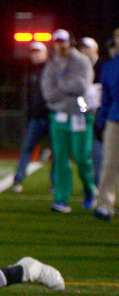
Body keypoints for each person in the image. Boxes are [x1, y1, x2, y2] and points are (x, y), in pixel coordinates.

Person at [41, 29, 96, 213]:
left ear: (69, 42)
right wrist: (67, 91)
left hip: (80, 115)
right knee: (61, 158)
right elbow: (48, 92)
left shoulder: (81, 61)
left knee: (82, 157)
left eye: (63, 41)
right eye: (57, 41)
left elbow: (82, 86)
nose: (60, 45)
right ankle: (62, 199)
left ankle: (89, 189)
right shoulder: (51, 63)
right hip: (59, 116)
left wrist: (61, 86)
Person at [12, 41, 51, 193]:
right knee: (27, 148)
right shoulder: (31, 73)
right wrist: (28, 118)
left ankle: (55, 183)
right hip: (35, 118)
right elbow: (28, 98)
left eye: (39, 52)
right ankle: (18, 179)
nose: (36, 55)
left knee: (57, 152)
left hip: (50, 117)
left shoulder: (51, 71)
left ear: (46, 53)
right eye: (34, 52)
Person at [93, 47, 119, 222]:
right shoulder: (111, 65)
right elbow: (106, 98)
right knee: (109, 164)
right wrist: (100, 121)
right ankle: (105, 206)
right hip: (114, 119)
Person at [77, 36, 104, 185]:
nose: (84, 51)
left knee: (100, 151)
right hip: (85, 114)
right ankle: (95, 183)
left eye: (87, 48)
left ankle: (99, 183)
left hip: (102, 115)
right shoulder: (80, 67)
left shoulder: (103, 66)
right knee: (86, 151)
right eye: (82, 48)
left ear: (95, 49)